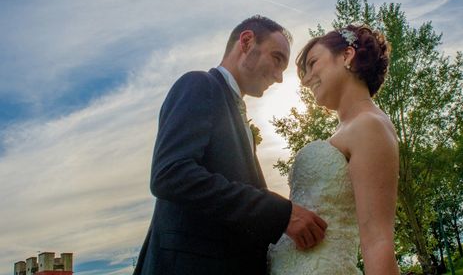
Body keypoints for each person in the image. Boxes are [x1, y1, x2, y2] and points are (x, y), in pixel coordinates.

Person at [133, 15, 327, 275]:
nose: (280, 77)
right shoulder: (199, 84)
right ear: (246, 42)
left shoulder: (237, 112)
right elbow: (170, 174)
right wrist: (280, 214)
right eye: (277, 58)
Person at [269, 25, 400, 275]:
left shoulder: (369, 125)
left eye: (313, 63)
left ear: (347, 56)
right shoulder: (345, 131)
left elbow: (378, 241)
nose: (306, 80)